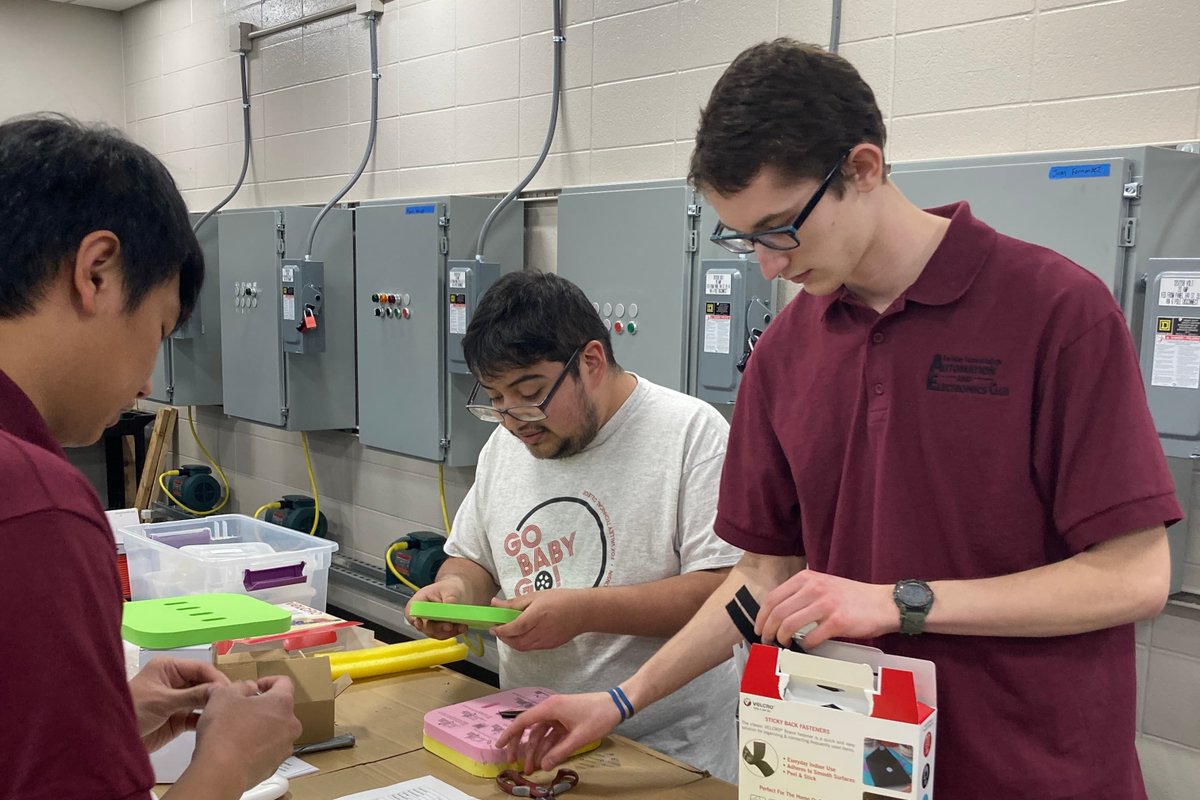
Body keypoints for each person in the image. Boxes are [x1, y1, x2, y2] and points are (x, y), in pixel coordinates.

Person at [496, 40, 1178, 800]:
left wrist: (897, 601)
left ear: (862, 168)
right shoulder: (786, 354)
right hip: (848, 770)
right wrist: (622, 699)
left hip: (1035, 770)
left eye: (782, 227)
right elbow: (762, 577)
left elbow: (1135, 576)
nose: (769, 266)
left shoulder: (1056, 311)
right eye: (745, 237)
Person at [0, 115, 301, 800]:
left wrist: (101, 724)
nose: (145, 382)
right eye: (158, 328)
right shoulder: (31, 502)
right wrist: (229, 761)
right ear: (97, 272)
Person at [406, 270, 742, 780]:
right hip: (530, 741)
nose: (515, 418)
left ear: (590, 361)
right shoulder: (506, 444)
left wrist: (583, 611)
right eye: (496, 399)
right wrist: (453, 589)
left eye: (529, 391)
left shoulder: (691, 435)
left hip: (666, 755)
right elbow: (474, 557)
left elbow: (724, 595)